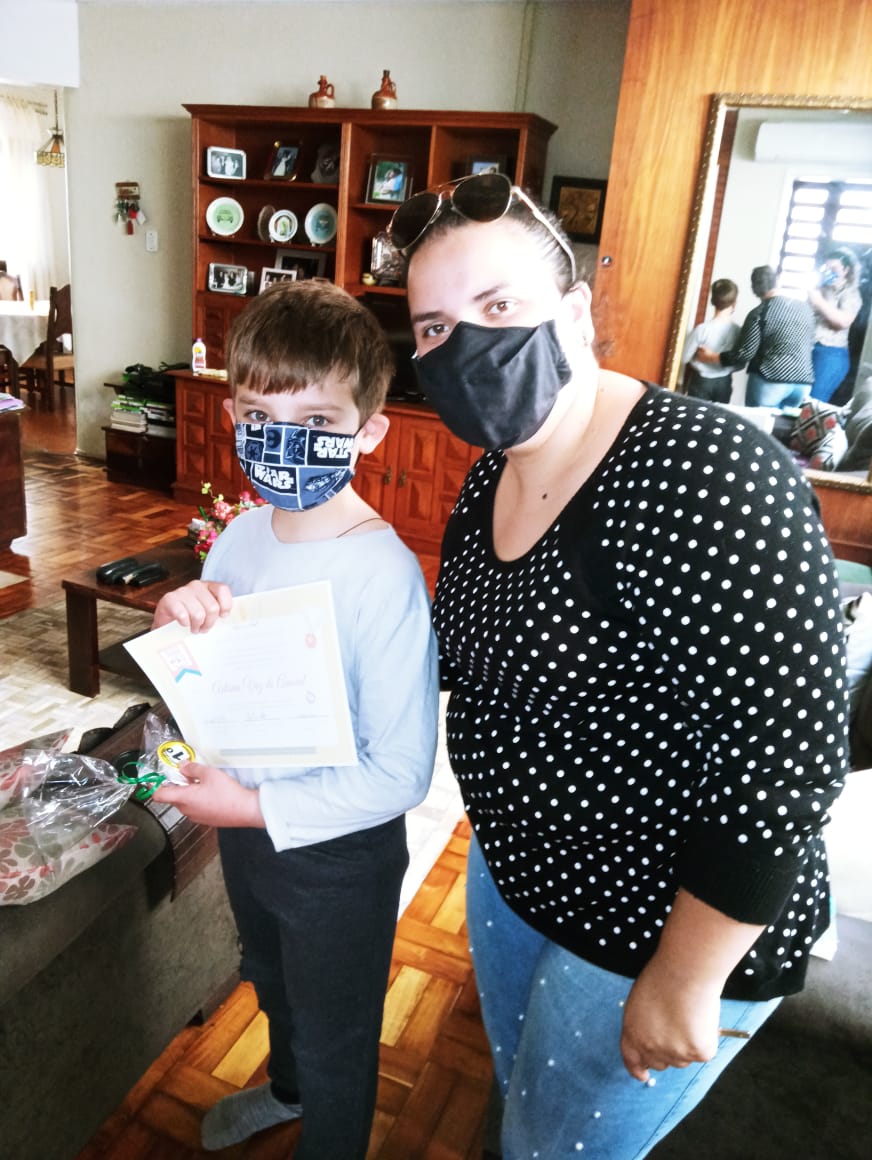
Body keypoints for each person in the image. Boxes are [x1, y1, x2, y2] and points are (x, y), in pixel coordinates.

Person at [387, 172, 849, 1160]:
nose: (462, 345)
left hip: (657, 920)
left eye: (496, 306)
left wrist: (686, 975)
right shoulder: (492, 472)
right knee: (520, 1112)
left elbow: (787, 761)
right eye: (433, 327)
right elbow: (466, 659)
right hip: (516, 875)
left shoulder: (705, 471)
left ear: (574, 311)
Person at [150, 279, 439, 1160]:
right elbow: (216, 683)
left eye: (315, 421)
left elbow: (402, 774)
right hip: (250, 838)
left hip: (338, 862)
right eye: (258, 415)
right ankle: (285, 1091)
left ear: (369, 431)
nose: (283, 441)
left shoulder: (383, 575)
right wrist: (176, 621)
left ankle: (328, 1130)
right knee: (270, 980)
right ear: (231, 416)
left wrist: (247, 807)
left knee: (337, 1032)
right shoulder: (241, 535)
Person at [697, 264, 815, 408]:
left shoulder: (760, 312)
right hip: (803, 382)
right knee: (785, 423)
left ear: (754, 290)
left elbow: (744, 353)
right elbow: (810, 343)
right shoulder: (805, 309)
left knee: (757, 420)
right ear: (777, 281)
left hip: (771, 378)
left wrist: (712, 357)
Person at [807, 248, 863, 403]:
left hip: (830, 354)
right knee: (799, 399)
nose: (829, 272)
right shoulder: (822, 289)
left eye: (834, 269)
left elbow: (842, 322)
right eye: (826, 268)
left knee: (812, 403)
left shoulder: (851, 294)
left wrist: (819, 302)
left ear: (846, 270)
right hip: (810, 348)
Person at [680, 277, 741, 402]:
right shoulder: (738, 331)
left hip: (701, 381)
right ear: (734, 303)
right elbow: (740, 364)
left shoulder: (701, 330)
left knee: (696, 413)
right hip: (724, 382)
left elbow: (684, 357)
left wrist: (698, 358)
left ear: (712, 301)